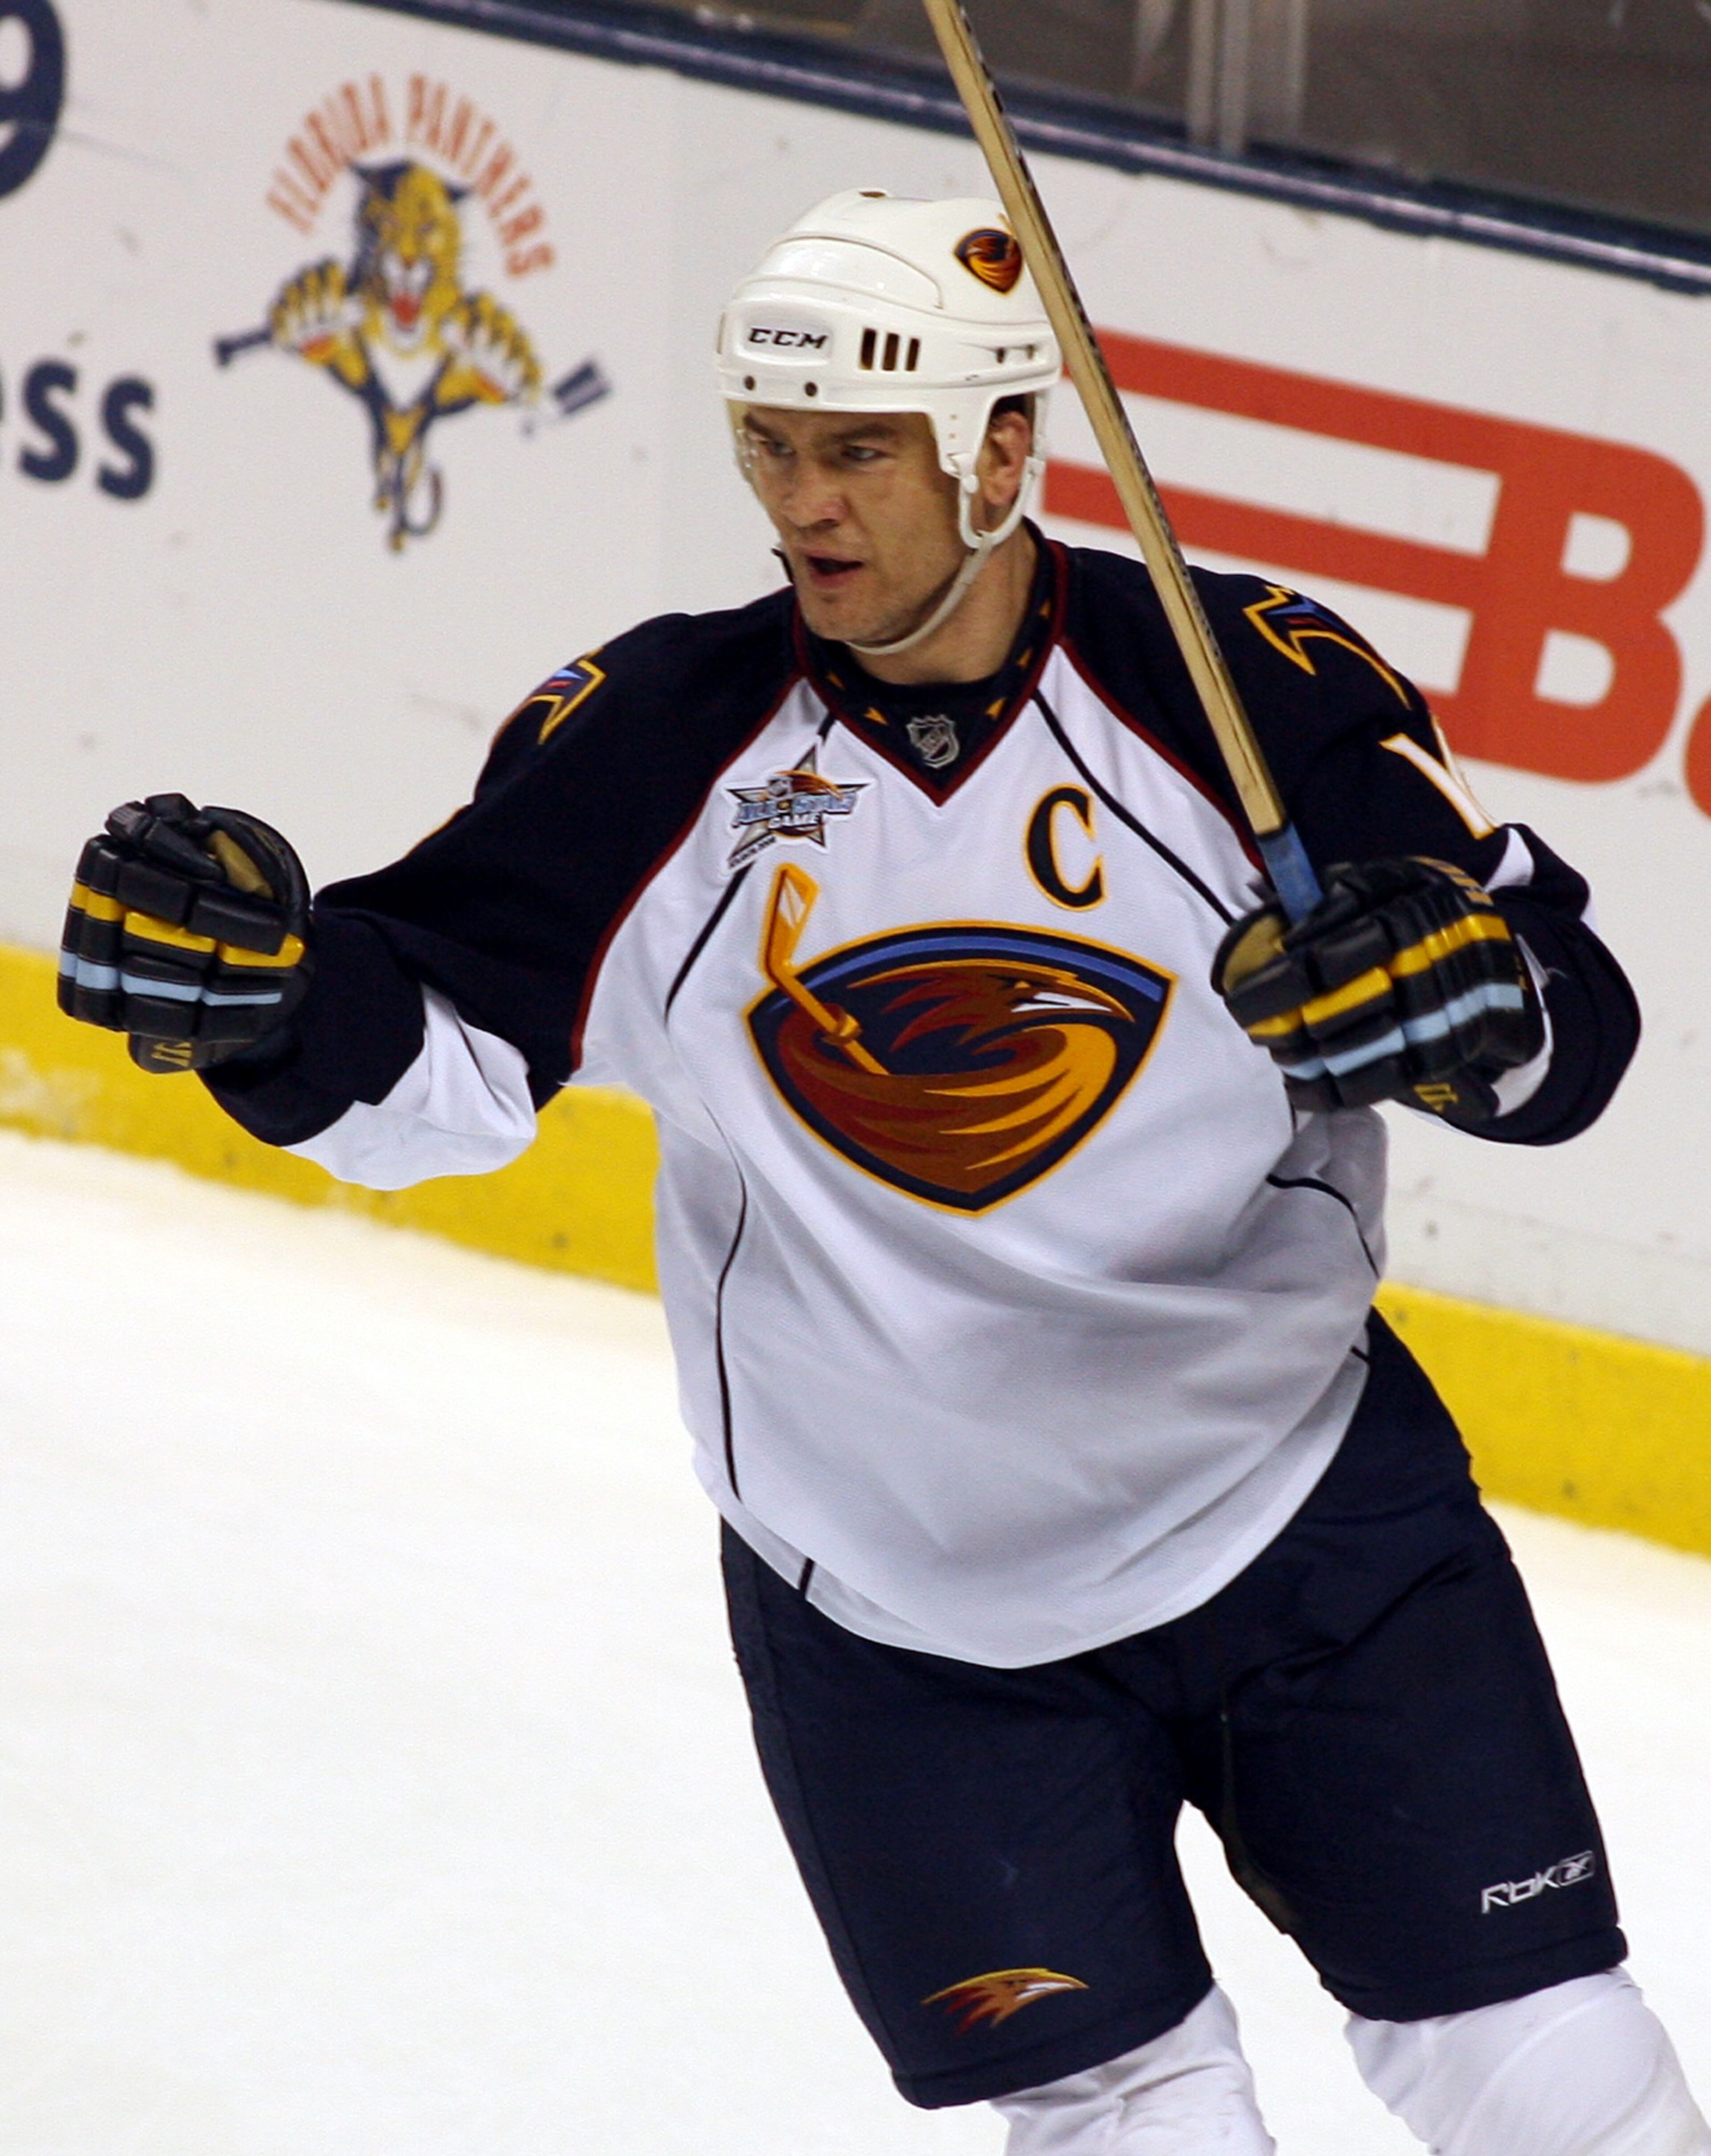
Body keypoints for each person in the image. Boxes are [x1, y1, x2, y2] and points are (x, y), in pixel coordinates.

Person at [57, 189, 1709, 2153]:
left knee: (1556, 2076)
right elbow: (445, 1061)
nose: (806, 501)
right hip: (901, 1623)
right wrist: (270, 1008)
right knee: (1135, 2121)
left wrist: (1470, 1006)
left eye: (860, 448)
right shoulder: (659, 741)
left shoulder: (1248, 695)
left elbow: (1560, 1026)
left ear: (1007, 448)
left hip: (1305, 1531)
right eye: (774, 444)